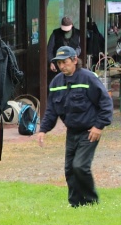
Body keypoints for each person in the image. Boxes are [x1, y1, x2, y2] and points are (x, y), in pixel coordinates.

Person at [37, 46, 112, 207]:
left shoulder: (88, 78)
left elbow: (106, 103)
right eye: (59, 63)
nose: (62, 66)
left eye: (65, 62)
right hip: (72, 131)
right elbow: (51, 110)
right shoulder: (56, 83)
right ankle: (76, 203)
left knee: (80, 166)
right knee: (70, 169)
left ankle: (91, 201)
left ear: (75, 60)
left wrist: (99, 126)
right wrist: (43, 129)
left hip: (89, 131)